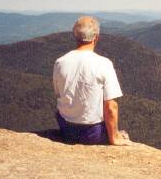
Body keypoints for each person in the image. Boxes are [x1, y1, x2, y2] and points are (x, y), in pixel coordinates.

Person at [53, 16, 131, 145]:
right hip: (91, 133)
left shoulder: (60, 62)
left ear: (75, 35)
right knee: (123, 134)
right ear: (96, 37)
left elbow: (59, 94)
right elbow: (111, 106)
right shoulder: (104, 64)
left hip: (66, 129)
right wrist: (114, 137)